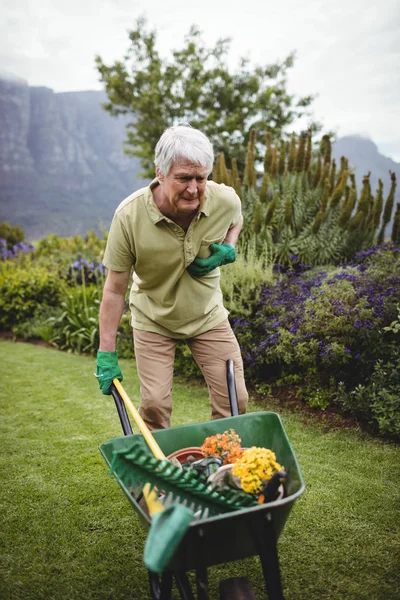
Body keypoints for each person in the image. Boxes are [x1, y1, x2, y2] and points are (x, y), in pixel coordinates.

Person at [95, 124, 248, 430]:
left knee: (235, 401)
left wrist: (228, 249)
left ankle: (220, 470)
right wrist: (106, 352)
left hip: (206, 314)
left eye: (200, 178)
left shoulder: (223, 199)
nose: (193, 188)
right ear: (160, 173)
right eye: (183, 178)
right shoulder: (129, 216)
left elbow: (237, 217)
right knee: (154, 405)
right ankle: (162, 474)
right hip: (154, 316)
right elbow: (114, 290)